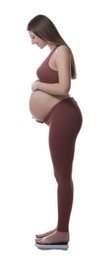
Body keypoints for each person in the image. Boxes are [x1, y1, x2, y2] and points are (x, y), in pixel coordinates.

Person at [27, 14, 82, 250]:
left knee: (62, 176)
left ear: (43, 31)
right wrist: (45, 115)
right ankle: (60, 228)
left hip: (65, 116)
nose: (32, 42)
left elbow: (64, 87)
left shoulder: (61, 50)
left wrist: (39, 86)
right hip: (57, 118)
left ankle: (62, 232)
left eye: (33, 36)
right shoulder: (54, 51)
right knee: (60, 175)